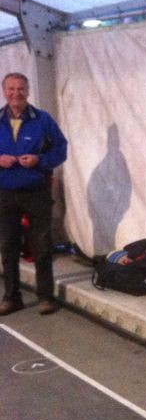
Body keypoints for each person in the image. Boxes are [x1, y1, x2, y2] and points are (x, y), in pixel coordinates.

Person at [0, 73, 68, 316]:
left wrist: (40, 160)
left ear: (28, 92)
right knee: (7, 247)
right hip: (5, 193)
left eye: (20, 89)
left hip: (36, 192)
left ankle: (46, 297)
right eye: (11, 89)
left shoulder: (42, 119)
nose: (16, 94)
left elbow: (61, 149)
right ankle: (11, 297)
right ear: (4, 91)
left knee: (41, 246)